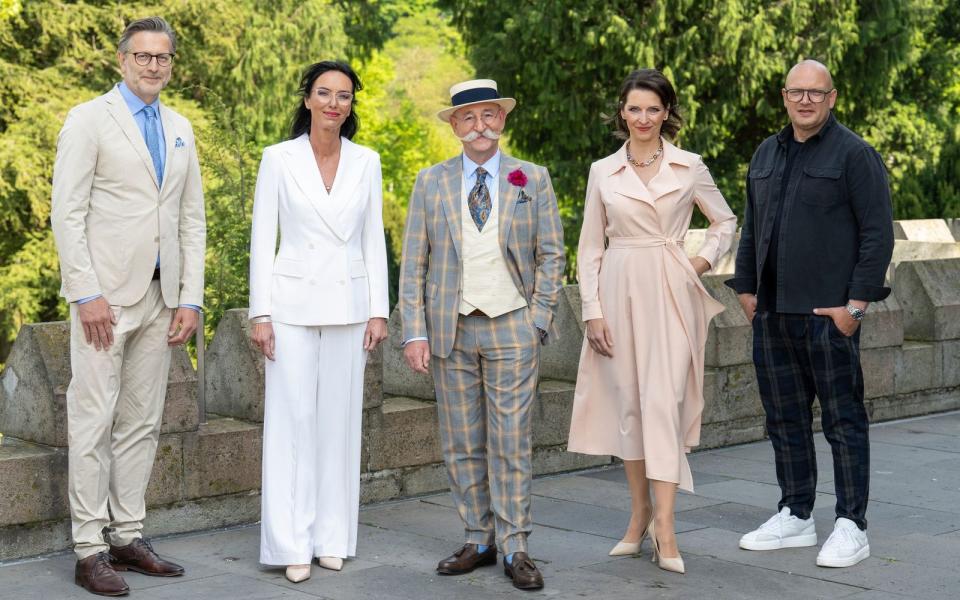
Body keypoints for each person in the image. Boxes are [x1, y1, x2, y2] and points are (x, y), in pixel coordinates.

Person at [51, 16, 205, 596]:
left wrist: (190, 298)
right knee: (93, 419)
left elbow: (191, 220)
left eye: (162, 57)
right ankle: (89, 548)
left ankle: (127, 535)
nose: (153, 66)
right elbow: (67, 212)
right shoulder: (89, 119)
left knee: (141, 423)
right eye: (142, 56)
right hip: (105, 300)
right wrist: (85, 292)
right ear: (122, 60)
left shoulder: (181, 127)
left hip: (164, 300)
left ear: (171, 63)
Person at [567, 68, 737, 574]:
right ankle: (638, 516)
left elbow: (725, 221)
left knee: (663, 403)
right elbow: (590, 247)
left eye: (653, 109)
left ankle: (666, 527)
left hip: (670, 289)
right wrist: (592, 311)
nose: (643, 118)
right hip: (618, 290)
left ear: (668, 113)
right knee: (629, 409)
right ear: (622, 112)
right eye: (634, 108)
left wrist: (700, 263)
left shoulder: (689, 166)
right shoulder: (603, 171)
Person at [726, 60, 894, 568]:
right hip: (772, 315)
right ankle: (796, 514)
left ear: (832, 98)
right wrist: (746, 288)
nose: (805, 101)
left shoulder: (855, 155)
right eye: (797, 92)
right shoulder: (765, 153)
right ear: (784, 96)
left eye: (815, 94)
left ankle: (851, 525)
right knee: (784, 420)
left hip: (829, 316)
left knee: (843, 422)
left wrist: (854, 309)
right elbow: (754, 226)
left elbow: (877, 235)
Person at [399, 79, 564, 590]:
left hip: (513, 323)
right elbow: (414, 264)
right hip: (451, 328)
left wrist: (537, 317)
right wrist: (414, 332)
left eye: (489, 115)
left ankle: (516, 545)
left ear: (503, 119)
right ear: (454, 125)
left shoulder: (530, 178)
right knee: (461, 441)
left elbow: (552, 254)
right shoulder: (431, 182)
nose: (480, 126)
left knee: (511, 441)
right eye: (468, 118)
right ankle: (479, 537)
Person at [248, 61, 389, 583]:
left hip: (350, 306)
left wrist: (379, 308)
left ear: (352, 105)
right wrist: (260, 312)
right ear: (307, 99)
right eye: (325, 93)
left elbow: (373, 238)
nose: (334, 103)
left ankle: (332, 536)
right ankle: (291, 543)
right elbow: (264, 239)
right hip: (290, 306)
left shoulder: (366, 161)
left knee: (339, 422)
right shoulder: (278, 159)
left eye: (344, 95)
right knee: (293, 422)